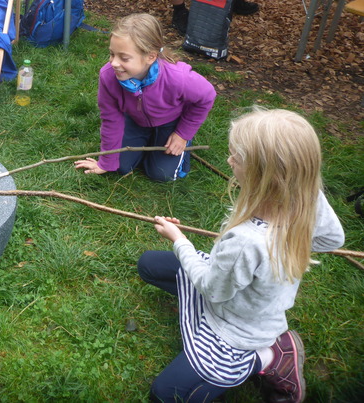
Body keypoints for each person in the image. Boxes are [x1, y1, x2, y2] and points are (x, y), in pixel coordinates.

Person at [138, 108, 345, 402]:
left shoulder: (247, 241)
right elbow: (333, 238)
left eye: (236, 157)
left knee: (167, 395)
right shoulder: (303, 197)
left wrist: (179, 240)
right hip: (251, 302)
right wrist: (287, 241)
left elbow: (213, 290)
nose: (229, 160)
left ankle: (270, 357)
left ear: (266, 176)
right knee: (149, 265)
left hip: (236, 329)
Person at [74, 13, 215, 181]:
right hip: (135, 120)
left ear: (150, 56)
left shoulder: (178, 78)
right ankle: (145, 141)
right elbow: (111, 119)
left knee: (161, 175)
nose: (113, 63)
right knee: (121, 167)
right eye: (112, 54)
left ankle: (173, 145)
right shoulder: (108, 76)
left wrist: (182, 134)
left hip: (170, 122)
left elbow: (207, 97)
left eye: (124, 58)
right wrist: (106, 162)